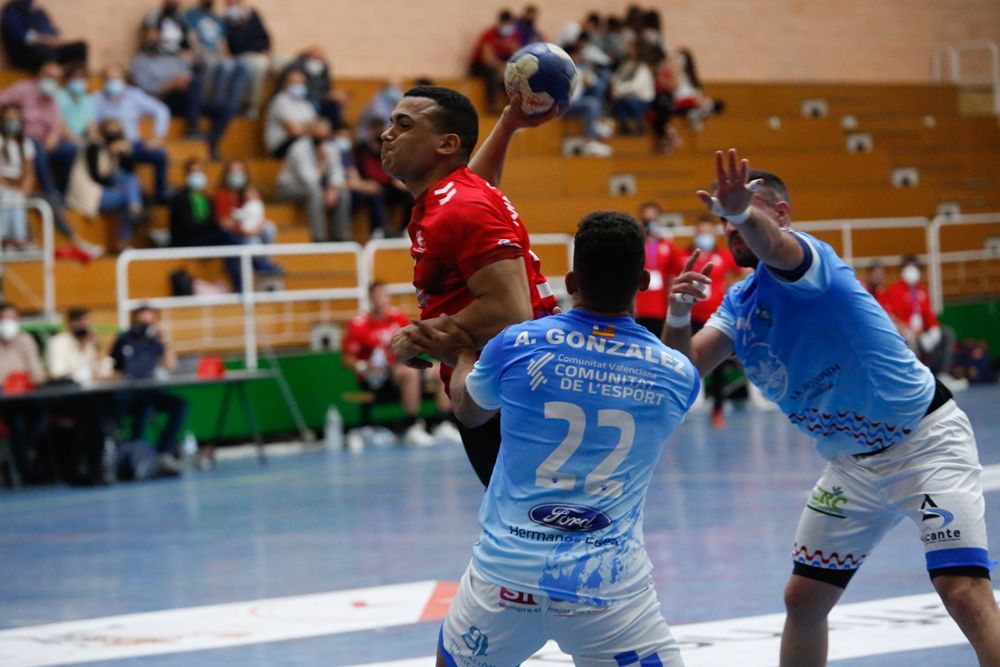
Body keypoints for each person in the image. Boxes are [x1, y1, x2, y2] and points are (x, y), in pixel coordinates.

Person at [664, 148, 1000, 666]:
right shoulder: (739, 303)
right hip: (851, 466)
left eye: (747, 211)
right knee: (804, 599)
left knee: (962, 592)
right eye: (728, 217)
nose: (733, 228)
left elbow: (771, 245)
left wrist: (738, 213)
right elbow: (683, 370)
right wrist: (680, 315)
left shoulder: (810, 262)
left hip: (924, 443)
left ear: (779, 214)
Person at [432, 211, 699, 666]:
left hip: (505, 579)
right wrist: (678, 315)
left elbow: (469, 412)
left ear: (572, 280)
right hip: (605, 589)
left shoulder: (518, 345)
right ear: (644, 280)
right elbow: (681, 368)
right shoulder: (673, 374)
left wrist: (458, 353)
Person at [383, 85, 558, 486]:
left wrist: (420, 337)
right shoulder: (453, 197)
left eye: (404, 125)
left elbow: (511, 313)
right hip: (503, 391)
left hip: (510, 400)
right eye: (390, 123)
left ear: (446, 143)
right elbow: (478, 179)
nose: (386, 134)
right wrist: (509, 123)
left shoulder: (461, 208)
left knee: (532, 535)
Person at [342, 282, 454, 447]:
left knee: (440, 369)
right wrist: (363, 366)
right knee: (409, 373)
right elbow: (347, 358)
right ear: (370, 299)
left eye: (383, 295)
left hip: (402, 365)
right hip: (378, 376)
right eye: (377, 296)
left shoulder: (397, 317)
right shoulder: (359, 324)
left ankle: (444, 423)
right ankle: (412, 425)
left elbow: (411, 342)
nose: (381, 300)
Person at [110, 305, 188, 476]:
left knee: (179, 405)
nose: (145, 324)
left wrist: (165, 339)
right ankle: (134, 455)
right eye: (142, 319)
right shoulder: (124, 339)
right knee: (144, 407)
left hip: (151, 392)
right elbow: (113, 367)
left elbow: (171, 366)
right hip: (128, 395)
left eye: (149, 320)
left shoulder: (156, 342)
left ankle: (163, 452)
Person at [678, 216, 741, 427]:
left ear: (714, 234)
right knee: (686, 364)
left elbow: (742, 272)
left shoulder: (723, 255)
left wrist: (730, 290)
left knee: (719, 366)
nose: (704, 236)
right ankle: (682, 408)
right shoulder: (686, 257)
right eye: (701, 232)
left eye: (708, 232)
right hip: (692, 316)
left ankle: (718, 409)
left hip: (717, 318)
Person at [66, 117, 148, 252]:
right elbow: (97, 175)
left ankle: (134, 210)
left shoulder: (116, 148)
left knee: (131, 180)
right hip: (89, 194)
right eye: (110, 129)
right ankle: (124, 238)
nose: (113, 133)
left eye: (116, 130)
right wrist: (114, 188)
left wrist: (127, 153)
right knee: (127, 197)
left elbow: (130, 171)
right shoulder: (94, 145)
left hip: (104, 190)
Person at [92, 64, 171, 203]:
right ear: (103, 81)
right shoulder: (96, 99)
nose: (113, 82)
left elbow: (161, 110)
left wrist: (158, 136)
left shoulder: (134, 95)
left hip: (134, 144)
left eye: (117, 78)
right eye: (109, 78)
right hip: (109, 148)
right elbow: (90, 126)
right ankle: (133, 197)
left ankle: (159, 196)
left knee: (160, 155)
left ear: (124, 79)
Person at [880, 255, 962, 384]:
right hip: (908, 334)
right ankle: (915, 379)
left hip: (924, 333)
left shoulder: (922, 291)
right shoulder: (895, 290)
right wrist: (917, 335)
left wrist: (933, 330)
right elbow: (895, 318)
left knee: (947, 334)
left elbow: (929, 314)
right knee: (910, 343)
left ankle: (943, 374)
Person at [184, 0, 250, 158]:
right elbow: (192, 40)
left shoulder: (217, 18)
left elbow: (222, 44)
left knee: (241, 66)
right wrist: (205, 54)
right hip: (202, 55)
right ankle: (218, 101)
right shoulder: (192, 15)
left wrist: (223, 56)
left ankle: (232, 105)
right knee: (220, 65)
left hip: (217, 56)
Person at [169, 158, 243, 291]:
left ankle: (240, 285)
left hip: (205, 239)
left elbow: (210, 222)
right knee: (227, 237)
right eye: (194, 171)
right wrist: (217, 226)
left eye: (201, 171)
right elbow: (188, 226)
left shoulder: (208, 199)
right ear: (186, 175)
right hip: (187, 241)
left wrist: (218, 225)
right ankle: (254, 268)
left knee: (229, 241)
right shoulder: (179, 198)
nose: (198, 175)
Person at [276, 118, 346, 242]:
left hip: (317, 185)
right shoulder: (299, 148)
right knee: (315, 193)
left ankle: (339, 237)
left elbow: (338, 171)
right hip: (289, 187)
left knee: (344, 193)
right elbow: (308, 179)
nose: (321, 136)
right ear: (311, 132)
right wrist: (323, 162)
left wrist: (333, 188)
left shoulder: (331, 146)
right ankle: (319, 238)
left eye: (324, 133)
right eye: (318, 133)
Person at [0, 301, 46, 481]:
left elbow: (35, 371)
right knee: (17, 419)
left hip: (25, 394)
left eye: (11, 318)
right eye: (3, 319)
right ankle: (24, 469)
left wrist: (37, 378)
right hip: (5, 401)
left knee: (43, 410)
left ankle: (29, 455)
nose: (7, 323)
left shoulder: (26, 340)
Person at [213, 159, 280, 271]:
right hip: (236, 233)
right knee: (254, 242)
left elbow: (255, 212)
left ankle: (267, 262)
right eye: (234, 171)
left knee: (269, 228)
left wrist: (258, 225)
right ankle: (263, 267)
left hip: (249, 228)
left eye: (240, 171)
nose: (238, 174)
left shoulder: (247, 194)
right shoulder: (222, 196)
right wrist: (244, 230)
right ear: (227, 174)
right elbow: (224, 224)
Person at [353, 116, 412, 237]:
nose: (379, 132)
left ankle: (404, 230)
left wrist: (396, 180)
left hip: (389, 185)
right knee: (375, 194)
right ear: (370, 131)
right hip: (370, 187)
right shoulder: (361, 150)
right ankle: (381, 230)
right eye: (375, 129)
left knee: (409, 195)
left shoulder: (388, 147)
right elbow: (367, 172)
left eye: (380, 129)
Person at [633, 203, 684, 336]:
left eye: (654, 220)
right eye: (647, 220)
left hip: (660, 308)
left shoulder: (668, 246)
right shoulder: (634, 245)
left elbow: (675, 274)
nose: (650, 224)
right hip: (638, 307)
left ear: (659, 220)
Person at [223, 0, 276, 119]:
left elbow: (265, 36)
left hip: (262, 53)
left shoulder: (253, 15)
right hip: (244, 55)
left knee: (283, 63)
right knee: (260, 65)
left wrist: (266, 49)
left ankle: (275, 105)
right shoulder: (227, 21)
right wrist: (237, 24)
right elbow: (236, 46)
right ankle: (253, 106)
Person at [0, 0, 87, 72]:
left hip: (50, 51)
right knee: (41, 53)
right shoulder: (12, 9)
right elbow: (20, 35)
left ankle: (75, 77)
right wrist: (45, 40)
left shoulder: (38, 11)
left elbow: (52, 30)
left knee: (80, 47)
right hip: (29, 53)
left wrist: (57, 39)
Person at [274, 46, 346, 130]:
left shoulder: (324, 68)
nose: (317, 61)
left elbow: (328, 87)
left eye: (320, 59)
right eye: (315, 58)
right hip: (306, 98)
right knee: (314, 104)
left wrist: (332, 95)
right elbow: (301, 89)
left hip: (316, 99)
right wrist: (324, 96)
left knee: (334, 106)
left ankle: (333, 132)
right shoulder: (296, 67)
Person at [469, 9, 522, 113]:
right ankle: (493, 104)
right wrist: (501, 67)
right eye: (506, 24)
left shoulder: (513, 36)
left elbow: (518, 55)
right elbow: (487, 58)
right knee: (493, 72)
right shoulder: (489, 34)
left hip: (502, 65)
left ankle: (516, 106)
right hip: (481, 66)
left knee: (517, 74)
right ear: (500, 22)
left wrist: (509, 67)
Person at [0, 103, 35, 250]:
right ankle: (10, 239)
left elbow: (29, 173)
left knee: (17, 197)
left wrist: (24, 188)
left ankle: (17, 239)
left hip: (16, 188)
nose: (12, 123)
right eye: (9, 119)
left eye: (15, 119)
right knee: (7, 196)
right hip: (3, 187)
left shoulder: (26, 144)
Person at [45, 306, 108, 383]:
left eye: (87, 320)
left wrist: (98, 348)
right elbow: (57, 374)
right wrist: (89, 377)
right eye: (80, 320)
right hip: (68, 391)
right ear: (70, 323)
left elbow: (103, 371)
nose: (85, 324)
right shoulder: (57, 343)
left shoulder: (90, 344)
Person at [264, 69, 317, 158]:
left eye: (301, 83)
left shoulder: (305, 103)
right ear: (286, 84)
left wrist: (303, 127)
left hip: (302, 141)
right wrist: (307, 127)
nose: (299, 85)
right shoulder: (281, 100)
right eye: (295, 82)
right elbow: (294, 131)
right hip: (281, 146)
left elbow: (316, 127)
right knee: (307, 144)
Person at [610, 42, 655, 136]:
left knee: (628, 101)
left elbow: (635, 86)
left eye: (632, 48)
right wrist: (616, 89)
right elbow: (616, 78)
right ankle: (626, 128)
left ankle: (641, 125)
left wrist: (618, 91)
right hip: (625, 96)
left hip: (642, 98)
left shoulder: (643, 67)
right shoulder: (626, 65)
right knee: (619, 104)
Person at [56, 63, 95, 143]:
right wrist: (77, 140)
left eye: (82, 77)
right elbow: (60, 123)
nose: (79, 80)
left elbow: (90, 123)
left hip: (82, 138)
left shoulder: (87, 98)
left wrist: (93, 139)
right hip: (64, 139)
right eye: (75, 77)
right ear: (67, 79)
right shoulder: (59, 96)